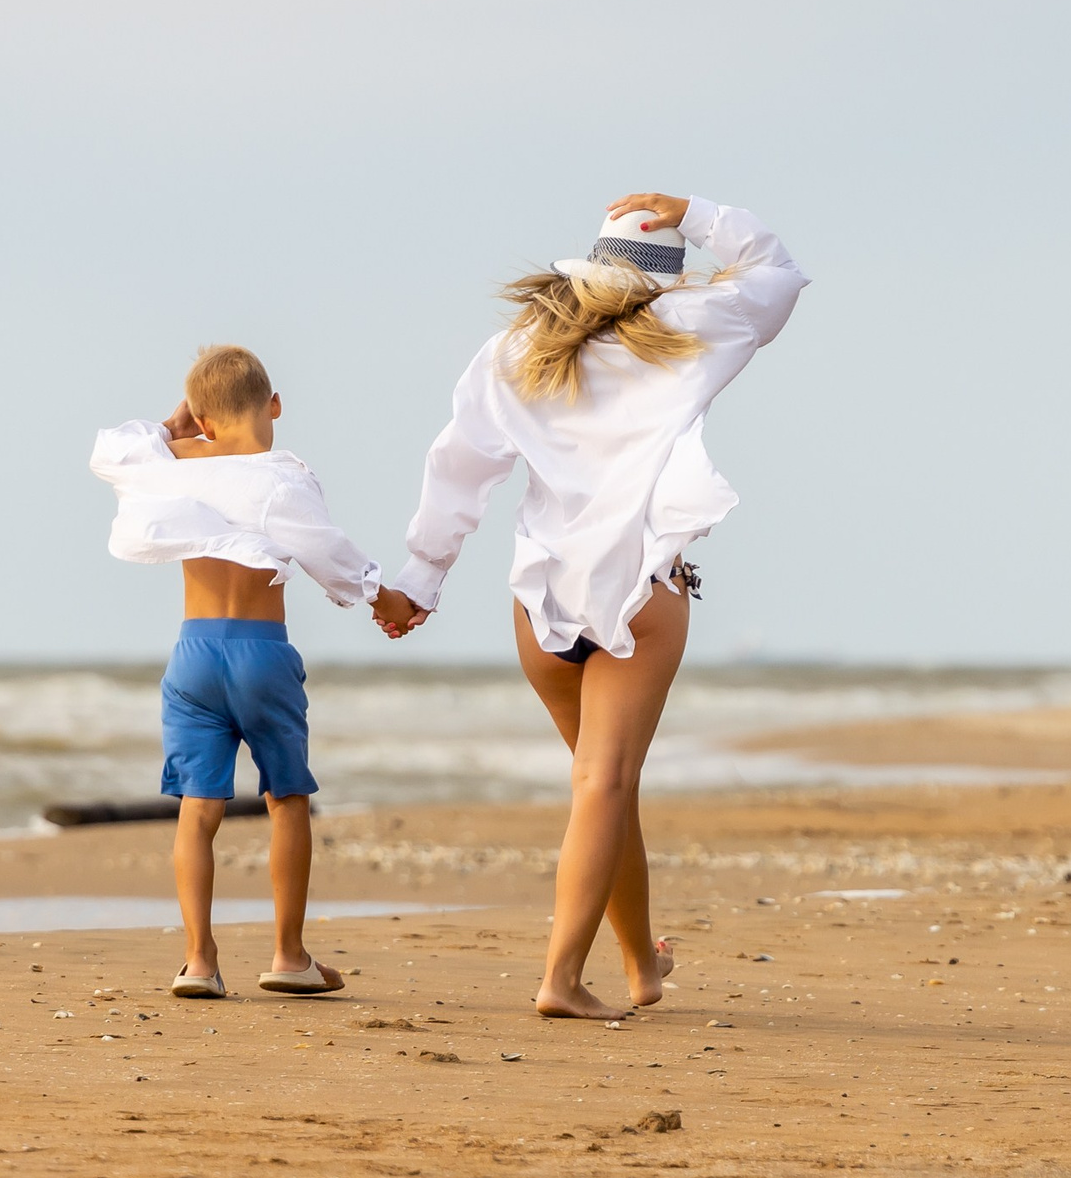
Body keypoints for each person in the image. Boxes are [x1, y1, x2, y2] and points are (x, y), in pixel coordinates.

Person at [380, 194, 809, 1019]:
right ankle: (561, 978)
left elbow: (458, 468)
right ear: (663, 279)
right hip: (641, 585)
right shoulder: (691, 326)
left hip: (542, 596)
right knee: (605, 783)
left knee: (601, 788)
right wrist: (694, 208)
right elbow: (779, 272)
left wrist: (421, 579)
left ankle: (642, 965)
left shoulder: (517, 347)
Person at [91, 344, 421, 1000]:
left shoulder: (171, 464)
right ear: (273, 405)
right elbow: (330, 551)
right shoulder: (280, 476)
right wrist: (388, 600)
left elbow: (114, 448)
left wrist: (174, 424)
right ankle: (288, 954)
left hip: (193, 654)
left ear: (202, 418)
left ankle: (199, 961)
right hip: (260, 651)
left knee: (197, 809)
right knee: (287, 799)